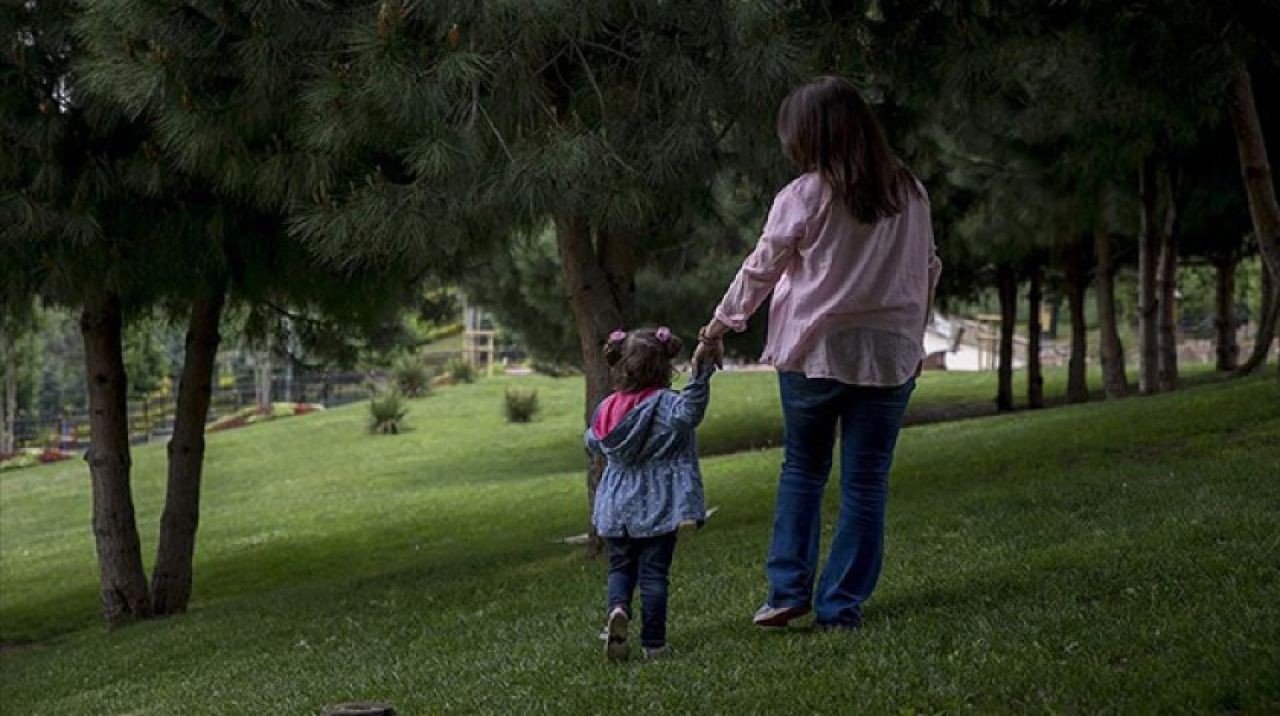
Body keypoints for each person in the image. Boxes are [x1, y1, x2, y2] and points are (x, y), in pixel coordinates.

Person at [693, 76, 942, 631]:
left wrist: (720, 324)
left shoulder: (804, 195)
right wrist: (913, 337)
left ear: (810, 137)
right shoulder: (911, 191)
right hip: (888, 357)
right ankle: (840, 605)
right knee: (867, 480)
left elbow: (762, 266)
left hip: (815, 355)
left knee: (803, 469)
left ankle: (787, 592)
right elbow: (927, 269)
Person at [587, 327, 712, 661]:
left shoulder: (607, 408)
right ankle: (654, 643)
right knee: (654, 574)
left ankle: (618, 610)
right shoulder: (668, 404)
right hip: (657, 505)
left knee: (619, 567)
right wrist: (700, 376)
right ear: (664, 366)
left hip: (615, 505)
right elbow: (691, 414)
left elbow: (592, 440)